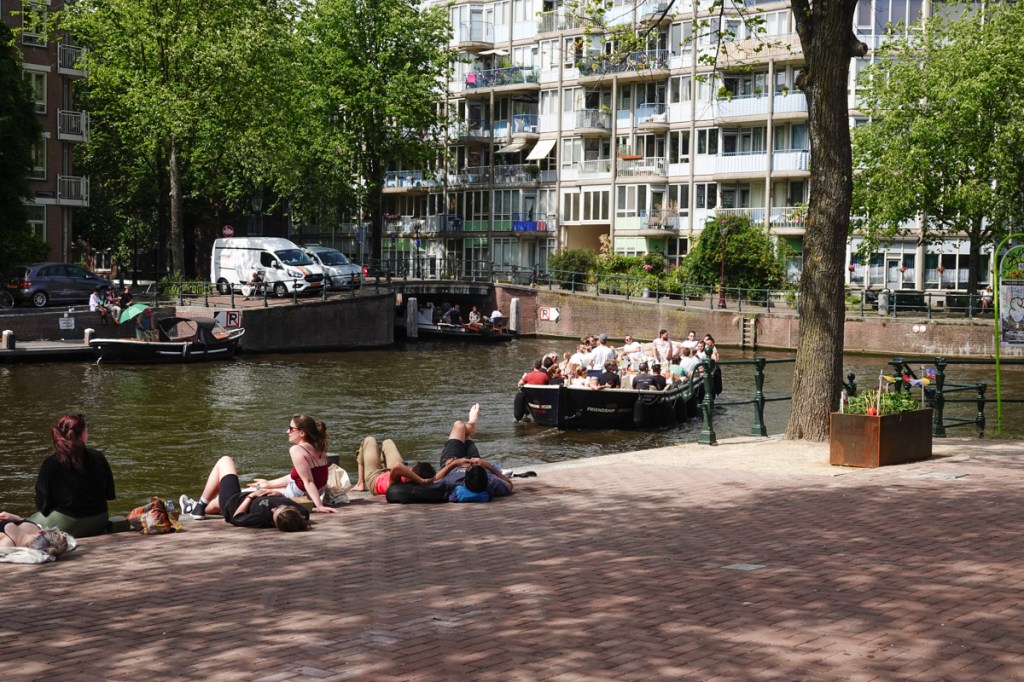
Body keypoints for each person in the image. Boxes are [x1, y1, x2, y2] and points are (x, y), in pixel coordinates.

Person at [180, 414, 339, 518]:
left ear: (302, 433)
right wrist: (269, 483)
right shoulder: (319, 450)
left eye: (291, 429)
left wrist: (319, 506)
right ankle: (196, 507)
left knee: (238, 495)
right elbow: (299, 478)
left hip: (296, 495)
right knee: (242, 493)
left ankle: (196, 507)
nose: (287, 431)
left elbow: (308, 481)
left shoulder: (297, 450)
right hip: (302, 493)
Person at [27, 413, 115, 538]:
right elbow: (109, 494)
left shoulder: (51, 463)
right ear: (83, 433)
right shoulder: (99, 457)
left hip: (67, 525)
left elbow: (42, 503)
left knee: (25, 523)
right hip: (99, 521)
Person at [177, 456, 310, 531]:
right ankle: (192, 508)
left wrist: (251, 497)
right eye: (278, 508)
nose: (273, 509)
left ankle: (199, 507)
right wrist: (278, 494)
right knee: (216, 503)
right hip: (241, 497)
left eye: (273, 514)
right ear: (291, 508)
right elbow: (304, 513)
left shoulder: (261, 517)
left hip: (232, 503)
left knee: (225, 461)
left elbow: (236, 517)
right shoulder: (296, 514)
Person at [435, 405, 513, 502]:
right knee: (464, 433)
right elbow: (509, 484)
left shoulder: (451, 482)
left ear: (464, 480)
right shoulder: (493, 483)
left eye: (470, 466)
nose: (470, 464)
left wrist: (453, 464)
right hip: (474, 460)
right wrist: (487, 465)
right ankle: (472, 424)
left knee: (459, 425)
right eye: (475, 465)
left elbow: (433, 480)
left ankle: (472, 423)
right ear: (487, 478)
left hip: (452, 461)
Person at [0, 511, 75, 558]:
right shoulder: (8, 542)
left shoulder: (33, 527)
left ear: (41, 532)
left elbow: (19, 519)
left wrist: (15, 517)